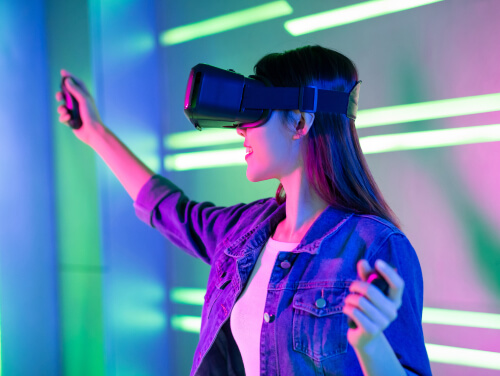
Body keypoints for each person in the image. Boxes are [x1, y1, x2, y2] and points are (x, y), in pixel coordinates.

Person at [55, 45, 432, 375]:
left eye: (256, 111)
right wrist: (94, 133)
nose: (240, 130)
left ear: (299, 122)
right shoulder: (245, 231)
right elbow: (167, 208)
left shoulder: (377, 249)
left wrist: (370, 344)